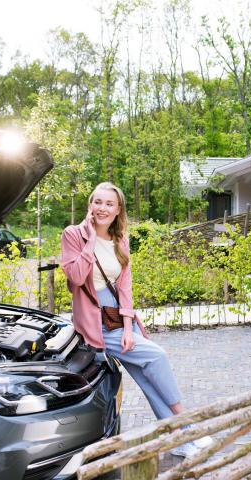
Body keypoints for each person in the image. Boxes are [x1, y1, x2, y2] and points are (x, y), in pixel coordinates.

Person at [61, 181, 212, 457]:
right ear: (90, 205)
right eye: (98, 202)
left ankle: (179, 442)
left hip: (119, 319)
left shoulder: (120, 239)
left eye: (109, 204)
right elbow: (76, 277)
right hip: (97, 325)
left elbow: (126, 286)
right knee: (157, 357)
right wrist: (91, 240)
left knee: (148, 379)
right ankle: (188, 425)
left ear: (118, 209)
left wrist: (129, 327)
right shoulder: (73, 235)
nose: (102, 208)